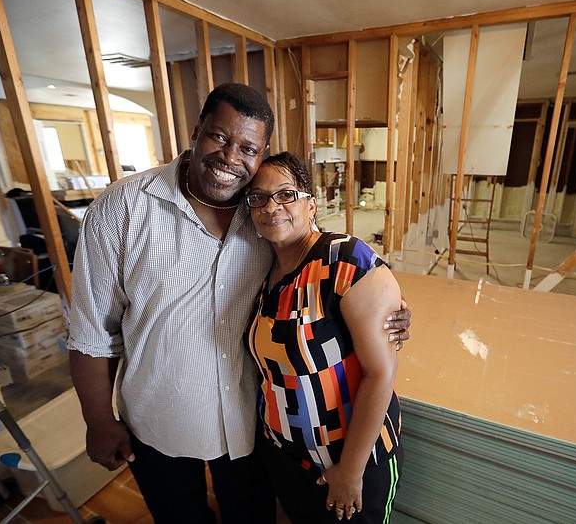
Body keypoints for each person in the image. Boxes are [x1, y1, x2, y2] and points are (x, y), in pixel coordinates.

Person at [67, 83, 411, 524]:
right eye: (219, 137)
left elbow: (338, 274)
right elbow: (91, 332)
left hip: (252, 429)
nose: (231, 157)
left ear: (262, 153)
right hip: (158, 423)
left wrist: (389, 304)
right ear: (196, 130)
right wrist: (98, 419)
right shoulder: (123, 209)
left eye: (247, 147)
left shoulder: (261, 220)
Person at [245, 152, 404, 523]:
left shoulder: (346, 260)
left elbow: (380, 374)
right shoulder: (262, 270)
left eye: (285, 194)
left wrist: (350, 472)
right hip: (287, 456)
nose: (271, 207)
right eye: (258, 198)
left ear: (311, 204)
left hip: (352, 459)